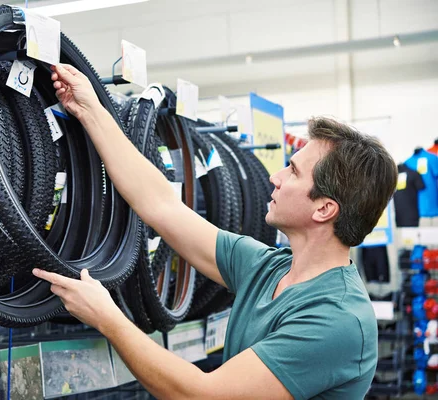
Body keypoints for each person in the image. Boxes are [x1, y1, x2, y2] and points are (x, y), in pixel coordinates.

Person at [32, 64, 398, 400]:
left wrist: (108, 318)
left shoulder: (336, 320)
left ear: (324, 209)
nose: (276, 177)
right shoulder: (269, 267)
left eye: (293, 172)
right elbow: (162, 204)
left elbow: (204, 396)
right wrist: (90, 110)